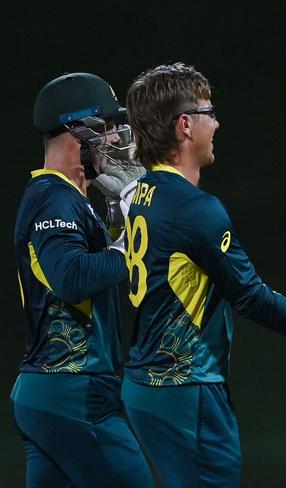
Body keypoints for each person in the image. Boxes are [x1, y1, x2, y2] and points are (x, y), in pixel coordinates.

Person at [119, 62, 286, 487]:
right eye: (209, 113)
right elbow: (250, 296)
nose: (218, 123)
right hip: (186, 389)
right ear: (186, 125)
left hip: (146, 384)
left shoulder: (143, 194)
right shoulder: (196, 209)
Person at [11, 72, 153, 487]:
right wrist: (137, 243)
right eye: (107, 128)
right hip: (74, 390)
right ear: (79, 131)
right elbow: (70, 277)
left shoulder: (70, 198)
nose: (114, 139)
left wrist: (120, 225)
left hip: (51, 392)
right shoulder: (53, 196)